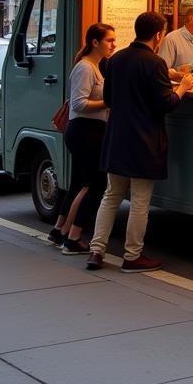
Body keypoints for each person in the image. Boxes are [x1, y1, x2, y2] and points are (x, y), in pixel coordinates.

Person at [86, 12, 193, 271]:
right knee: (139, 200)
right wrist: (183, 86)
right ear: (158, 35)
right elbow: (165, 103)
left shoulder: (117, 59)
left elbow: (110, 99)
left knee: (111, 195)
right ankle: (132, 256)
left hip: (117, 137)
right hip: (144, 139)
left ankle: (96, 250)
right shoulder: (154, 62)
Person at [52, 23, 116, 255]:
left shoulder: (96, 67)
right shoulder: (86, 68)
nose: (114, 44)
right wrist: (109, 102)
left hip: (88, 131)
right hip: (85, 132)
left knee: (79, 183)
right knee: (95, 185)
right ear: (95, 43)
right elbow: (79, 103)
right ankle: (74, 238)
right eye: (109, 40)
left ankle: (60, 230)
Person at [158, 5, 193, 73]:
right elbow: (161, 72)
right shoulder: (171, 39)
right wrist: (178, 73)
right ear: (192, 19)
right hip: (180, 83)